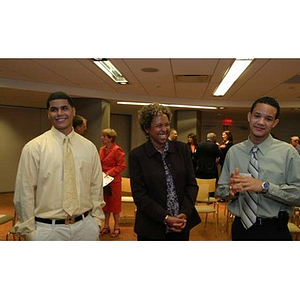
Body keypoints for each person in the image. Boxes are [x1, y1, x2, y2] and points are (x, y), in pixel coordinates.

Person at [13, 91, 105, 241]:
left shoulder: (89, 148)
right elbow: (24, 191)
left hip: (85, 227)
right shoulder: (34, 148)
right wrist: (30, 232)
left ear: (73, 111)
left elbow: (95, 186)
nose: (59, 113)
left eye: (64, 108)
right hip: (47, 230)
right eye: (54, 109)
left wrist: (96, 221)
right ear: (48, 114)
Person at [216, 96, 300, 241]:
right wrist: (231, 192)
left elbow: (298, 195)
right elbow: (220, 190)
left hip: (274, 231)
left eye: (268, 119)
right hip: (241, 229)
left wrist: (264, 186)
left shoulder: (288, 152)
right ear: (249, 117)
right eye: (257, 116)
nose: (261, 122)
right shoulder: (234, 151)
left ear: (275, 123)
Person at [129, 103, 201, 241]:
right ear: (146, 129)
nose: (164, 129)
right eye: (159, 126)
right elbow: (140, 196)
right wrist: (166, 218)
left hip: (181, 225)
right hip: (151, 228)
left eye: (167, 125)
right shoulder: (137, 156)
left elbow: (191, 185)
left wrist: (184, 214)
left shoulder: (182, 150)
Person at [99, 128, 126, 237]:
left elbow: (122, 166)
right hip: (104, 181)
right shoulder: (101, 149)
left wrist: (109, 172)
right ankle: (106, 226)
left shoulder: (117, 150)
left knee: (115, 205)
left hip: (114, 181)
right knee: (105, 205)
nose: (102, 138)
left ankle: (117, 227)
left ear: (110, 138)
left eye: (104, 136)